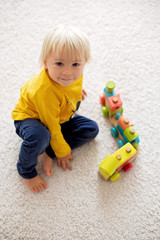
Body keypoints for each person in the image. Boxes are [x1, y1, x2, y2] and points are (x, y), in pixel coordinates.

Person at [12, 24, 99, 192]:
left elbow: (71, 84)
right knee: (40, 135)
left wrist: (75, 91)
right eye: (59, 63)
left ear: (84, 62)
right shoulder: (44, 91)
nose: (67, 72)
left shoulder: (74, 75)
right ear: (45, 63)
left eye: (75, 64)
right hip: (31, 118)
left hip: (60, 114)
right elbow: (50, 124)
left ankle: (48, 151)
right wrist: (62, 151)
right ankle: (26, 171)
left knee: (91, 129)